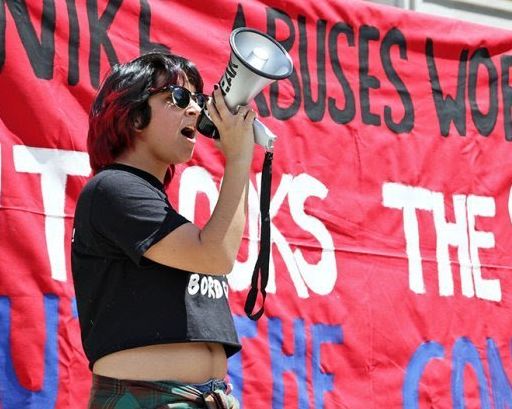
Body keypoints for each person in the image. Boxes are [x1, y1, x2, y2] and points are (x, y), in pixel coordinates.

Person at [71, 51, 255, 408]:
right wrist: (238, 158)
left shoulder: (156, 207)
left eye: (198, 101)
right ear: (135, 114)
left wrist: (240, 158)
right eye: (179, 98)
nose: (195, 111)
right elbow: (214, 254)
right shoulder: (113, 188)